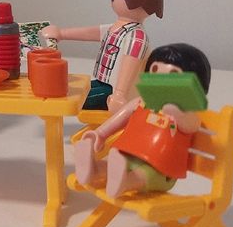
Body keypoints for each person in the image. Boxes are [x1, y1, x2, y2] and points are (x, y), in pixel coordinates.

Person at [74, 43, 211, 198]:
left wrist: (176, 112)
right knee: (115, 163)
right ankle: (92, 170)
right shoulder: (143, 102)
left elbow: (191, 125)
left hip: (162, 169)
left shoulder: (187, 112)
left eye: (173, 74)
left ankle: (125, 182)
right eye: (155, 70)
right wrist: (100, 133)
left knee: (143, 173)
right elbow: (122, 116)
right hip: (129, 156)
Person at [41, 0, 163, 112]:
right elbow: (92, 32)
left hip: (115, 92)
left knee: (73, 99)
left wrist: (120, 94)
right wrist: (61, 33)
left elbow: (131, 64)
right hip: (105, 83)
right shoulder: (116, 28)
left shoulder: (137, 37)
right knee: (67, 90)